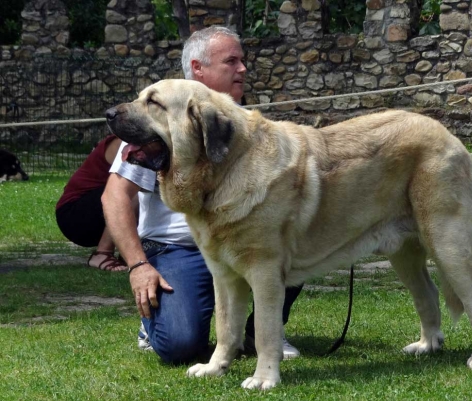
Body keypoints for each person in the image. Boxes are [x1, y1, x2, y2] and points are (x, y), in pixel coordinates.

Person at [101, 26, 303, 365]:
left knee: (297, 240)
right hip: (178, 248)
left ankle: (261, 331)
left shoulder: (247, 123)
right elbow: (115, 197)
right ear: (198, 68)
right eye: (231, 61)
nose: (243, 69)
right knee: (180, 345)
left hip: (243, 238)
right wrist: (138, 265)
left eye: (243, 61)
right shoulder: (153, 120)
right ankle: (156, 322)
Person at [56, 135, 129, 271]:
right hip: (74, 215)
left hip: (98, 212)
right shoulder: (124, 144)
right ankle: (103, 253)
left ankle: (128, 254)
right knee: (131, 189)